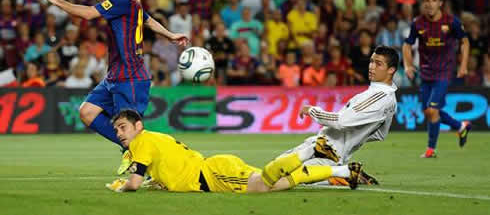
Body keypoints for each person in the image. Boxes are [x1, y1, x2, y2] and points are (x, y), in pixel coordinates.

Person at [36, 0, 189, 170]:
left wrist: (57, 1)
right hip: (115, 75)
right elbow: (145, 18)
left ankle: (157, 167)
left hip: (131, 77)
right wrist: (169, 34)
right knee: (87, 112)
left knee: (132, 130)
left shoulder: (122, 0)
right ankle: (132, 150)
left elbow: (89, 14)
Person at [105, 109, 362, 193]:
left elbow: (135, 183)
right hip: (214, 169)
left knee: (265, 184)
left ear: (138, 126)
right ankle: (341, 171)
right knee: (277, 182)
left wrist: (122, 186)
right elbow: (166, 167)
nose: (120, 134)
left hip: (213, 175)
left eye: (123, 127)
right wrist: (160, 181)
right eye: (117, 130)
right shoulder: (153, 138)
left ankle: (310, 151)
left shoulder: (140, 142)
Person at [277, 45, 399, 186]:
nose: (372, 67)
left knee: (283, 180)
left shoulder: (379, 97)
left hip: (329, 152)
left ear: (391, 70)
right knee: (276, 169)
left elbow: (341, 121)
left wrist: (312, 111)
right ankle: (344, 173)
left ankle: (342, 174)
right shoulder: (387, 97)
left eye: (378, 64)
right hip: (319, 144)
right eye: (371, 61)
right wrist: (354, 137)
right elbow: (380, 134)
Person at [402, 0, 471, 159]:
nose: (430, 4)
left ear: (440, 3)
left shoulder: (451, 22)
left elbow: (465, 41)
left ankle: (430, 150)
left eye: (434, 0)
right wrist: (408, 65)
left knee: (433, 110)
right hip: (425, 74)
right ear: (423, 3)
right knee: (428, 111)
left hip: (444, 72)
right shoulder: (418, 23)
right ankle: (461, 126)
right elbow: (407, 45)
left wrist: (463, 65)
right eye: (427, 1)